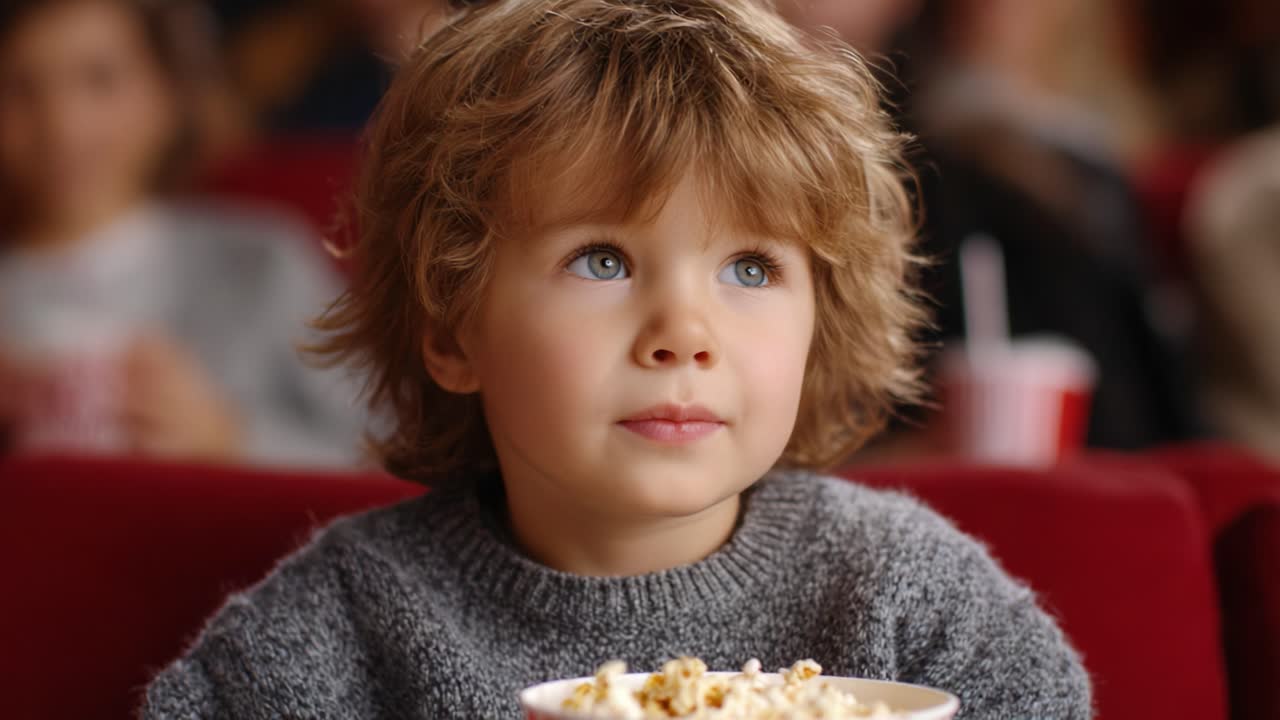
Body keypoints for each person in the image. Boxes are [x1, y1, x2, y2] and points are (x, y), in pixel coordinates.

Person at [142, 1, 1092, 717]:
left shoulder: (910, 595)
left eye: (751, 267)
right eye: (602, 260)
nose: (684, 332)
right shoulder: (346, 622)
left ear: (821, 322)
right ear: (450, 330)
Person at [0, 0, 367, 465]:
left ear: (167, 93)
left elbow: (388, 455)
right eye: (20, 88)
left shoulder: (262, 261)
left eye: (100, 79)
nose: (61, 125)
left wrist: (233, 438)